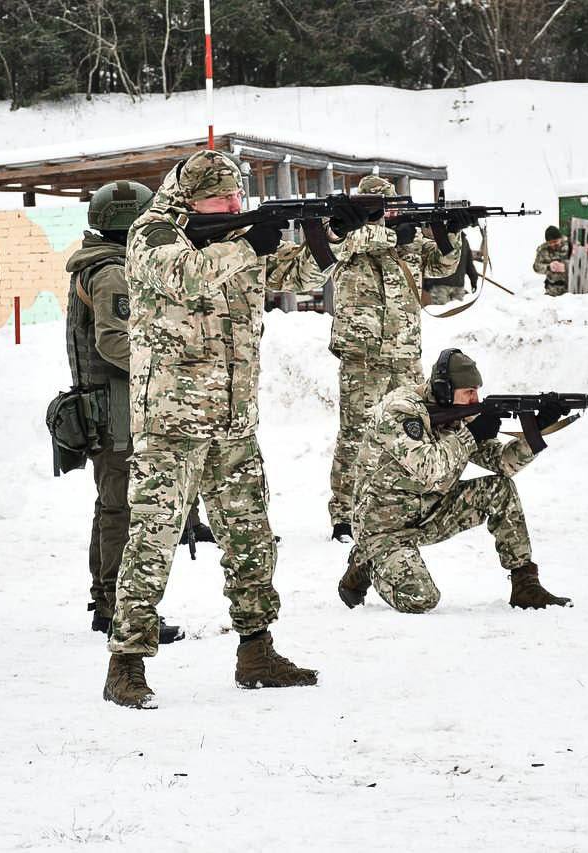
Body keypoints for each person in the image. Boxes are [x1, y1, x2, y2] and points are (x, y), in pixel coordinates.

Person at [104, 149, 369, 708]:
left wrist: (333, 235)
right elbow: (190, 278)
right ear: (191, 197)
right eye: (222, 198)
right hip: (172, 423)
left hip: (233, 421)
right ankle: (126, 664)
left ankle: (256, 649)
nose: (234, 205)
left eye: (237, 196)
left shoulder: (238, 236)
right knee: (152, 542)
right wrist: (251, 241)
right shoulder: (152, 234)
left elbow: (299, 272)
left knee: (250, 541)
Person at [337, 348, 572, 613]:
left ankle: (525, 585)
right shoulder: (400, 411)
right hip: (384, 529)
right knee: (421, 599)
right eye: (468, 393)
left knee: (499, 490)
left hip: (431, 513)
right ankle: (365, 562)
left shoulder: (459, 414)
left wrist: (536, 428)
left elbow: (502, 463)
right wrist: (471, 435)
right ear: (445, 389)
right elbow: (428, 467)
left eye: (476, 391)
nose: (475, 399)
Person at [65, 179, 183, 645]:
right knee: (121, 508)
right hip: (115, 409)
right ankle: (115, 604)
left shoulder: (101, 264)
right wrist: (167, 363)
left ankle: (106, 599)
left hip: (108, 405)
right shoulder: (112, 271)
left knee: (111, 504)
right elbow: (113, 342)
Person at [326, 175, 467, 544]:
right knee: (356, 434)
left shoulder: (409, 237)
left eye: (393, 207)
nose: (390, 213)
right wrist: (393, 234)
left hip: (404, 354)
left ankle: (404, 506)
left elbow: (442, 265)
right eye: (382, 208)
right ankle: (344, 515)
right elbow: (336, 248)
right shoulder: (347, 233)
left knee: (413, 430)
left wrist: (449, 233)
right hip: (363, 355)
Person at [533, 225, 570, 297]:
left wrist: (566, 266)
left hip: (572, 290)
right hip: (552, 291)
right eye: (550, 242)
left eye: (555, 241)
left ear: (560, 238)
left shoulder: (569, 244)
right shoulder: (543, 249)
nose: (553, 244)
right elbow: (536, 267)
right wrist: (549, 267)